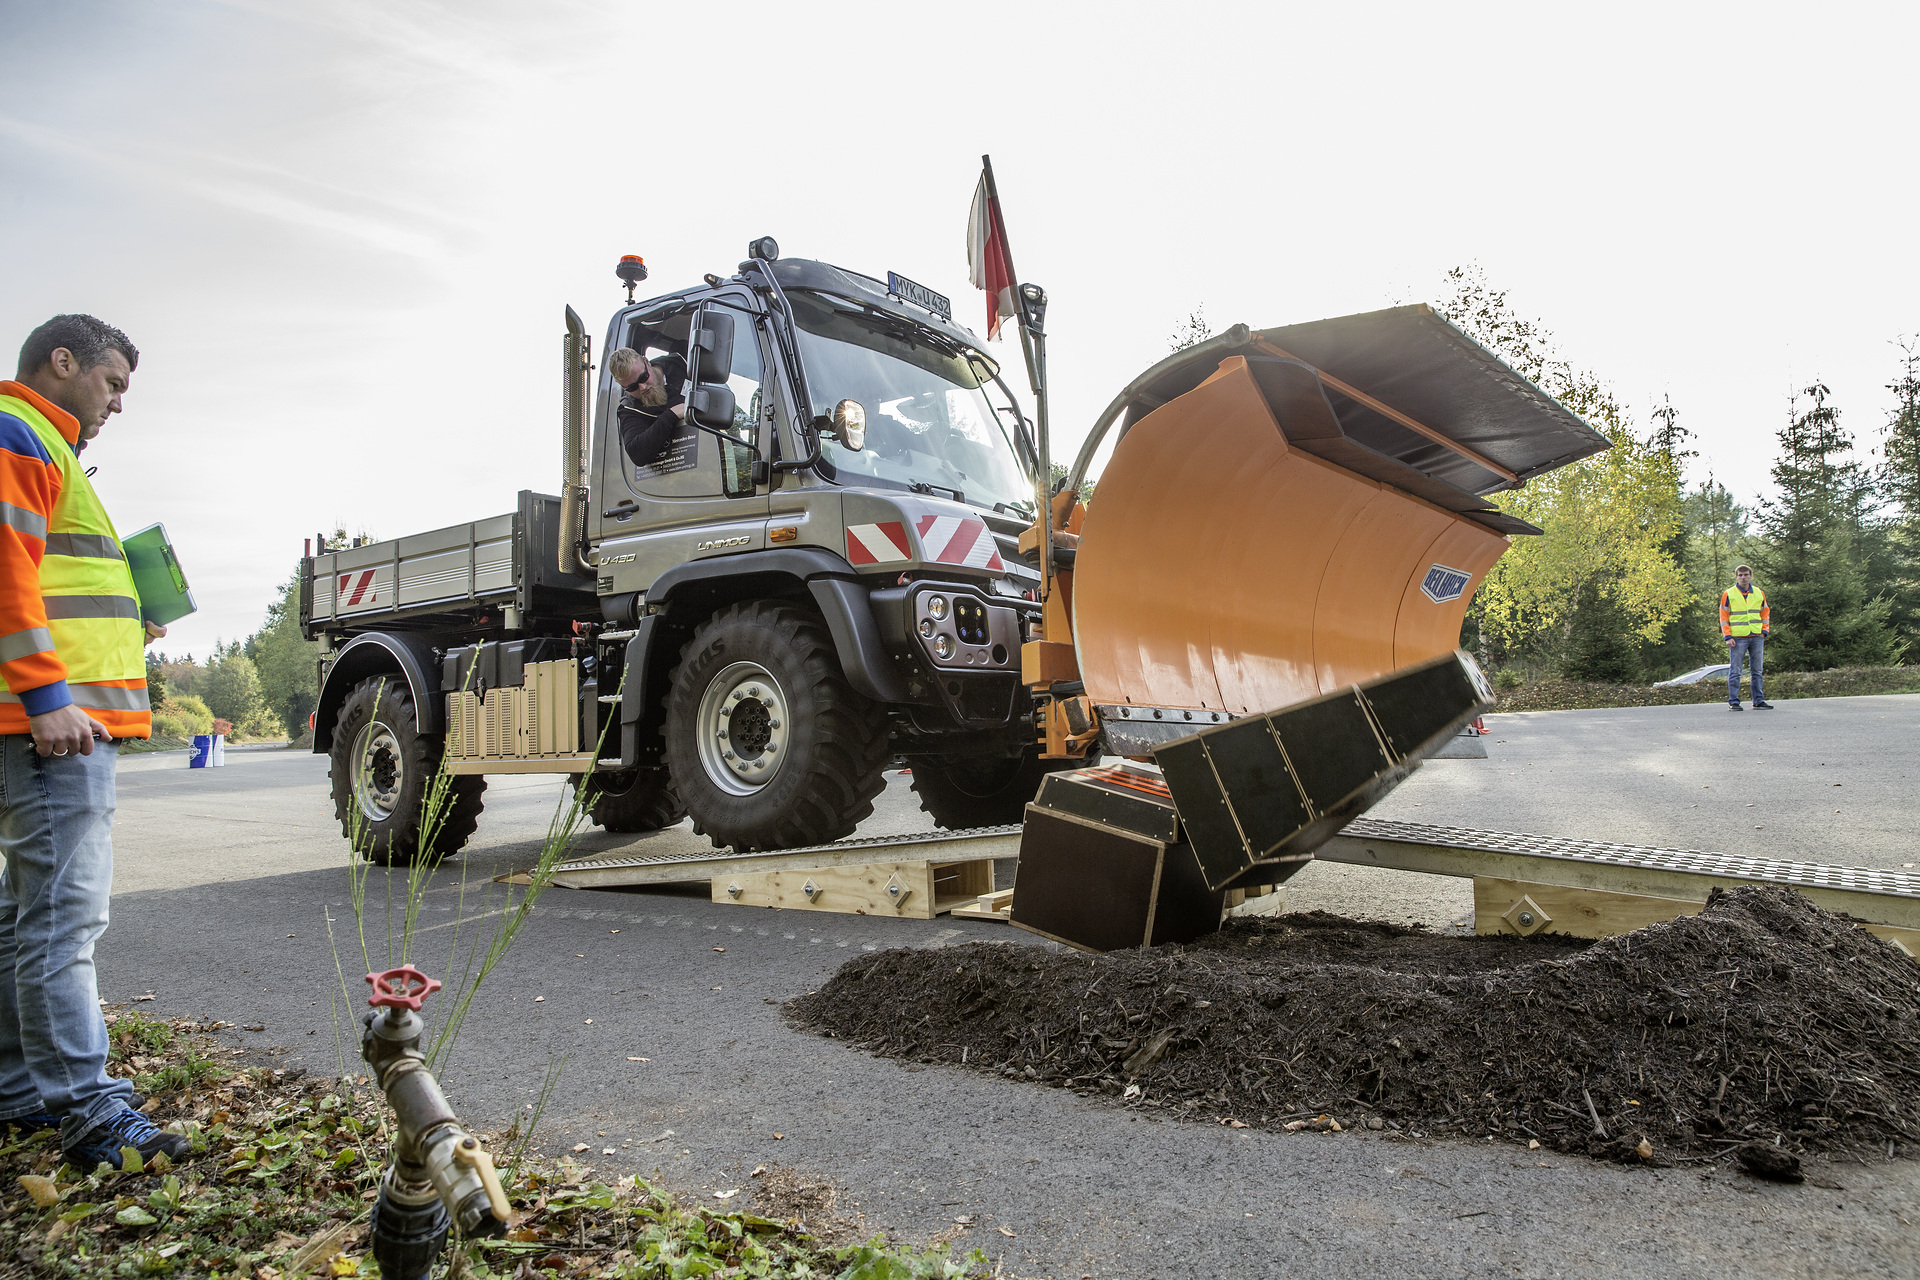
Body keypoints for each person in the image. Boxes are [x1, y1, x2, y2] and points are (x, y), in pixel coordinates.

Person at [0, 314, 186, 1169]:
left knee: (22, 916)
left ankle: (21, 1093)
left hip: (44, 712)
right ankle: (89, 1113)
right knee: (63, 919)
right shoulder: (23, 432)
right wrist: (45, 696)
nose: (117, 403)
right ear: (61, 361)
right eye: (112, 383)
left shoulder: (48, 447)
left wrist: (125, 622)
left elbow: (48, 581)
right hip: (51, 727)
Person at [609, 346, 689, 469]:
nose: (643, 387)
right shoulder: (630, 409)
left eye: (643, 377)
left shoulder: (683, 362)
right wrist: (671, 415)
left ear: (647, 362)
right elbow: (637, 453)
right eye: (632, 387)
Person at [1721, 564, 1772, 711]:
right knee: (1735, 671)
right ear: (1736, 577)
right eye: (1740, 575)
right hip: (1737, 638)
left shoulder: (1759, 593)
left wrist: (1764, 631)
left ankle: (1758, 700)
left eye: (1746, 575)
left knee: (1757, 670)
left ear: (1751, 576)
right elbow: (1723, 616)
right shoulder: (1729, 594)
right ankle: (1734, 701)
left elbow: (1765, 612)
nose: (1743, 577)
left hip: (1756, 636)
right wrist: (1728, 636)